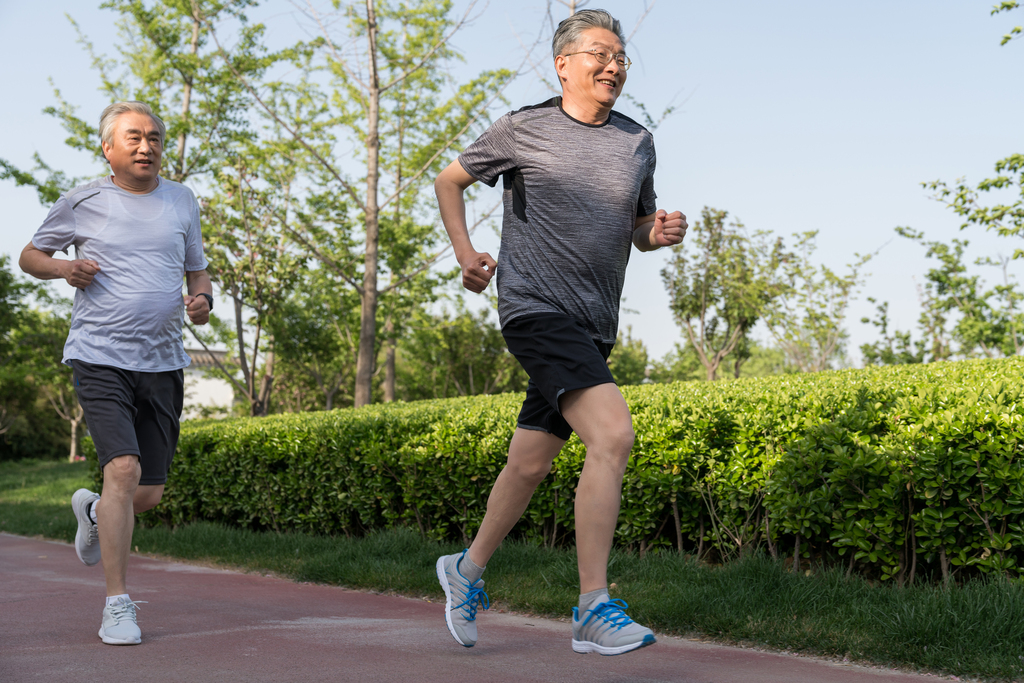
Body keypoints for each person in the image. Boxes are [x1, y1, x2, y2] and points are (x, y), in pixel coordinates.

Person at [433, 9, 687, 656]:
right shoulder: (524, 129)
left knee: (531, 460)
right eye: (600, 53)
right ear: (564, 64)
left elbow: (637, 224)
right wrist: (467, 254)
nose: (614, 65)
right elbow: (450, 178)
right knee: (613, 432)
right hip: (535, 310)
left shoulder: (637, 141)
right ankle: (592, 605)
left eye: (622, 57)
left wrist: (653, 234)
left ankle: (464, 569)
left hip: (594, 320)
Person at [19, 101, 212, 646]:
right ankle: (117, 605)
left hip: (164, 359)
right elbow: (30, 256)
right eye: (133, 137)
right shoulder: (85, 199)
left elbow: (197, 269)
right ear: (108, 147)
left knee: (145, 494)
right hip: (100, 354)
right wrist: (63, 267)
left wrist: (202, 298)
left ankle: (94, 513)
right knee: (122, 471)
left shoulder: (182, 199)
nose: (145, 146)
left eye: (154, 137)